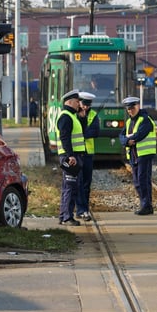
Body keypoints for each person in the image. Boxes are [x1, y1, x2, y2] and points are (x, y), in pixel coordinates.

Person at [119, 96, 156, 216]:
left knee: (142, 180)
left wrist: (128, 140)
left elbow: (140, 134)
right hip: (134, 155)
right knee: (137, 181)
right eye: (128, 109)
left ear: (138, 106)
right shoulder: (129, 121)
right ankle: (145, 204)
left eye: (133, 108)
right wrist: (126, 141)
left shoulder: (145, 120)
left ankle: (146, 205)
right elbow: (121, 135)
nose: (130, 111)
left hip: (144, 154)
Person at [56, 89, 85, 226]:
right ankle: (67, 217)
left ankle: (64, 216)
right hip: (70, 157)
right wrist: (70, 155)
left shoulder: (72, 116)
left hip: (74, 156)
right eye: (76, 101)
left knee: (70, 186)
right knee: (70, 187)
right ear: (69, 102)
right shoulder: (66, 116)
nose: (79, 103)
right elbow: (65, 137)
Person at [75, 92, 99, 221]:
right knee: (78, 182)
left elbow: (95, 132)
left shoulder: (93, 115)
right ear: (79, 102)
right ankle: (81, 209)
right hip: (77, 153)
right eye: (84, 104)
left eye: (88, 105)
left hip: (88, 153)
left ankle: (85, 208)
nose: (85, 107)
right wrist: (85, 132)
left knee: (86, 183)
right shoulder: (73, 115)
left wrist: (82, 133)